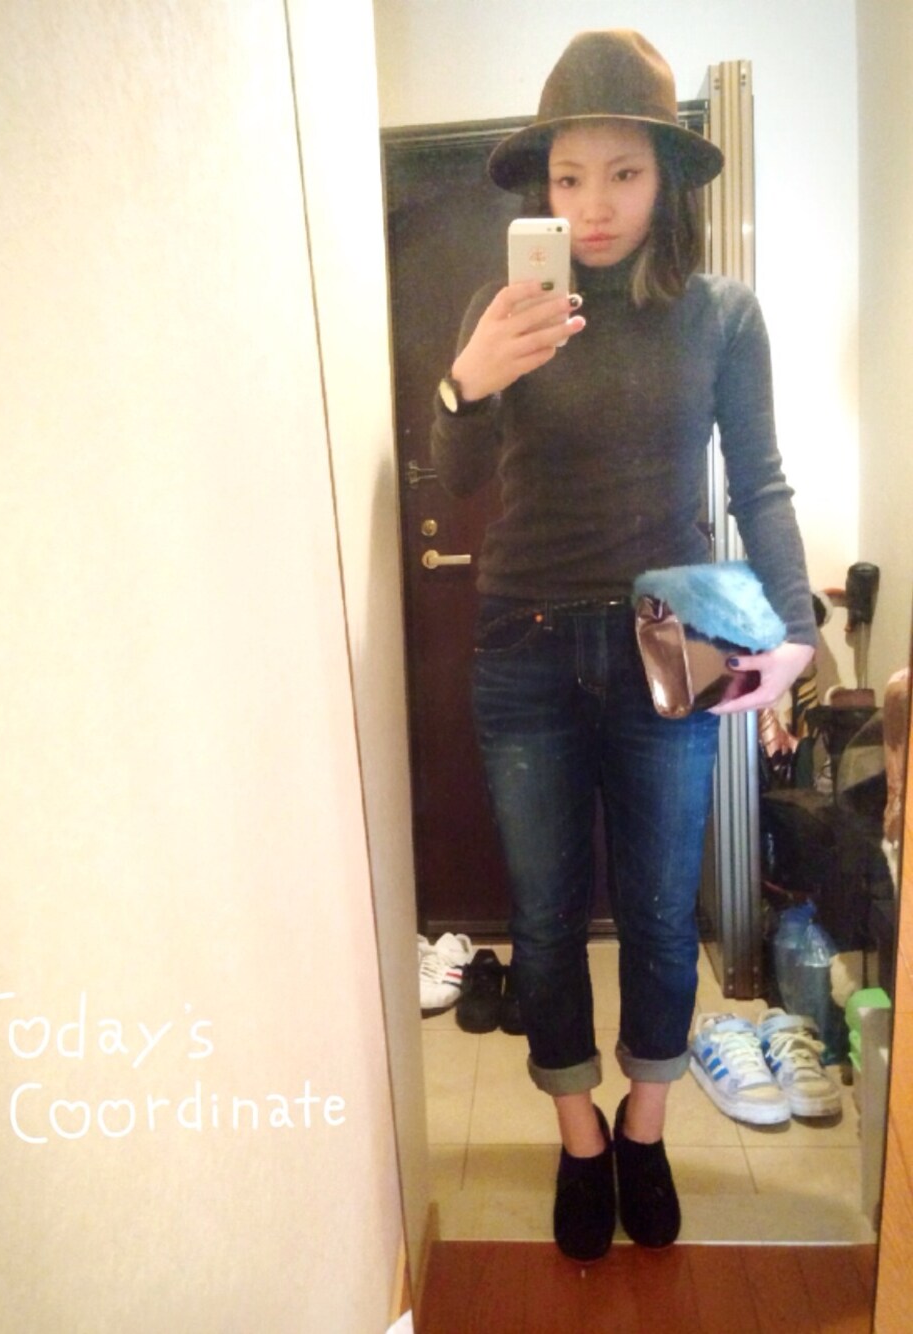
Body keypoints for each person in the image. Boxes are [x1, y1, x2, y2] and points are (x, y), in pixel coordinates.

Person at [430, 30, 817, 1261]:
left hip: (668, 639)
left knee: (657, 909)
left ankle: (643, 1126)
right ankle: (578, 1136)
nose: (593, 204)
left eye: (622, 173)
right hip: (524, 643)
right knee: (545, 918)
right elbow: (454, 476)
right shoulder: (506, 309)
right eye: (568, 177)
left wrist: (795, 629)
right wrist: (464, 383)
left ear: (666, 179)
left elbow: (757, 482)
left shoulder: (721, 315)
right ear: (541, 187)